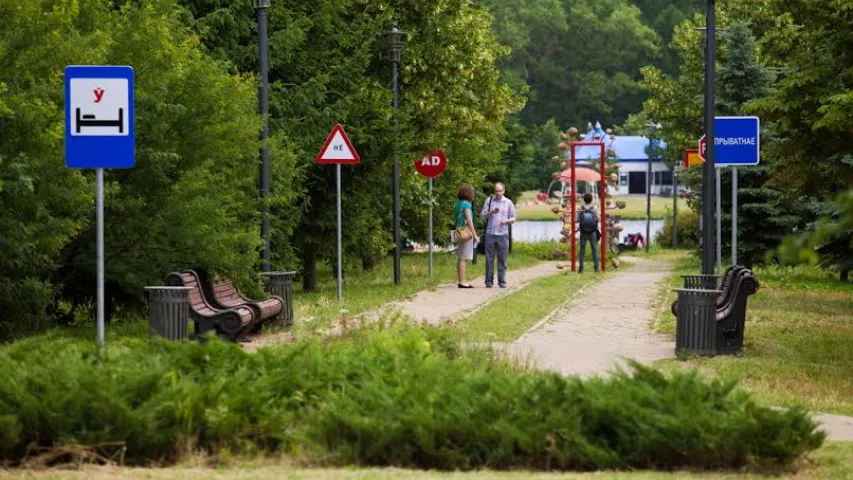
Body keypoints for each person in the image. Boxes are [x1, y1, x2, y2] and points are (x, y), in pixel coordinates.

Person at [480, 182, 516, 288]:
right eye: (496, 191)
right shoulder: (489, 200)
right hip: (490, 233)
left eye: (500, 191)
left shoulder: (508, 202)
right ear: (494, 191)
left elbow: (514, 218)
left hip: (503, 234)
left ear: (503, 191)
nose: (498, 193)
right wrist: (491, 212)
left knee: (502, 259)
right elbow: (482, 216)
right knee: (489, 259)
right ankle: (489, 281)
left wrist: (507, 220)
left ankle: (502, 281)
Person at [453, 184, 479, 288]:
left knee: (460, 258)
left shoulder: (457, 204)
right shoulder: (467, 205)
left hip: (458, 232)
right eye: (472, 192)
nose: (473, 194)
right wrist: (475, 234)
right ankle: (462, 281)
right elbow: (469, 220)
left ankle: (460, 280)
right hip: (465, 233)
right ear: (468, 193)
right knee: (464, 258)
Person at [576, 192, 600, 273]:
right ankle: (596, 268)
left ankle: (581, 269)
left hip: (583, 232)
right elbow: (598, 219)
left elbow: (577, 220)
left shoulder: (580, 208)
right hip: (593, 232)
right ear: (591, 200)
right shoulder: (595, 208)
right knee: (595, 250)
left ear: (584, 199)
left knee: (582, 250)